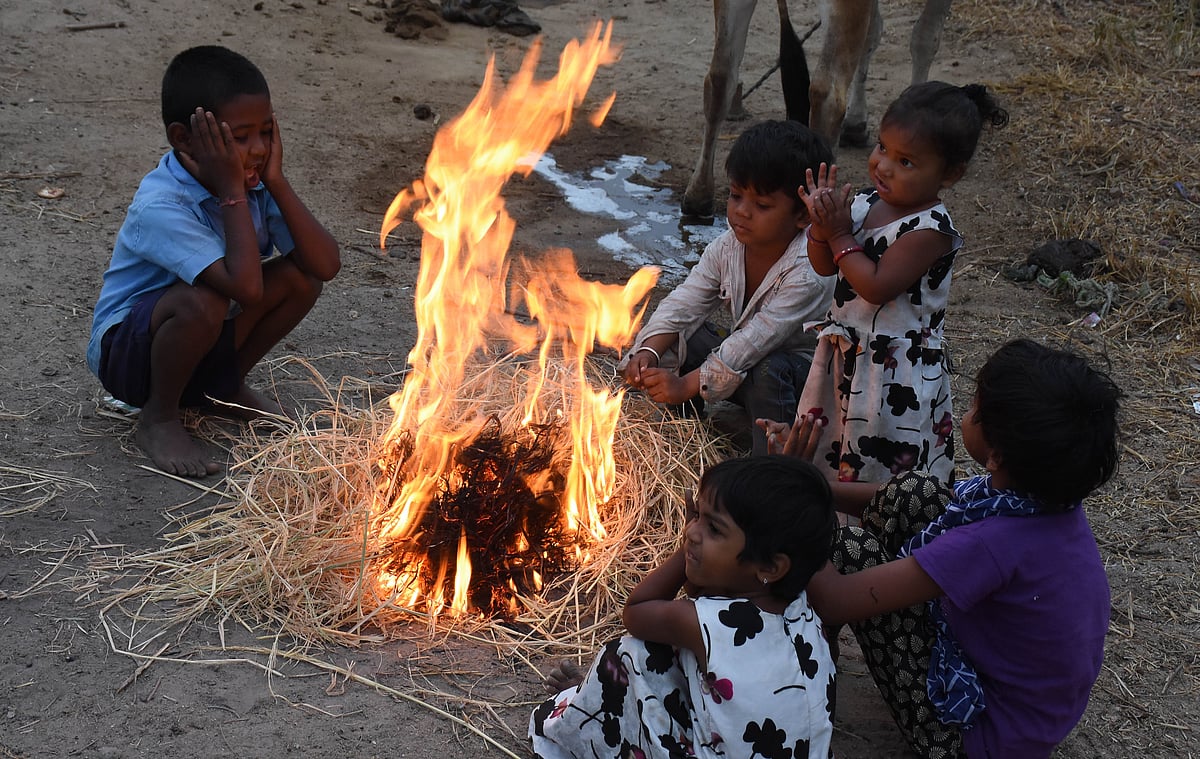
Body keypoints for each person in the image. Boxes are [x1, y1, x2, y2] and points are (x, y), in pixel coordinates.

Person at [766, 338, 1120, 758]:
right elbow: (904, 498)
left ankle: (804, 675)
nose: (965, 415)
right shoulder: (1036, 503)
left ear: (996, 455)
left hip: (973, 741)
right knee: (915, 493)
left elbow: (837, 599)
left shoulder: (992, 543)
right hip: (1026, 718)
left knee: (849, 549)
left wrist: (790, 504)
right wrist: (814, 487)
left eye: (973, 410)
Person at [86, 46, 341, 478]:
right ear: (184, 139)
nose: (258, 149)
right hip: (131, 357)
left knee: (303, 277)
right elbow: (245, 288)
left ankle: (222, 388)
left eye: (266, 132)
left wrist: (276, 180)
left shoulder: (256, 183)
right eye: (239, 138)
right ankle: (159, 417)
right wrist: (231, 191)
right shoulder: (162, 204)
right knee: (204, 299)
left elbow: (326, 264)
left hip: (206, 335)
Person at [529, 455, 838, 758]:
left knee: (629, 655)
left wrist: (685, 552)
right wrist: (702, 537)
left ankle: (592, 706)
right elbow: (701, 591)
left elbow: (636, 611)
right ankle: (596, 697)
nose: (691, 531)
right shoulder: (800, 606)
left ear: (770, 567)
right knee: (676, 658)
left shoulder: (703, 624)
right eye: (697, 516)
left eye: (714, 529)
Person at [797, 81, 1008, 485]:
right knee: (831, 454)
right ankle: (831, 533)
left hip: (892, 376)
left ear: (951, 174)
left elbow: (875, 287)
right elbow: (826, 268)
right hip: (845, 358)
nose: (884, 166)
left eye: (906, 162)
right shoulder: (863, 203)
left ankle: (877, 543)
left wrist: (840, 235)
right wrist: (820, 229)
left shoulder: (930, 230)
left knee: (878, 470)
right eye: (881, 148)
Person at [619, 120, 835, 455]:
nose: (741, 212)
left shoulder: (807, 271)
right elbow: (685, 303)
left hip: (798, 379)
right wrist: (647, 352)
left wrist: (685, 385)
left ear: (803, 216)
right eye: (735, 196)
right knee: (684, 335)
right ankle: (684, 439)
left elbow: (753, 342)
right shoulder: (727, 247)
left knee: (768, 369)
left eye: (762, 205)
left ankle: (770, 464)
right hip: (745, 364)